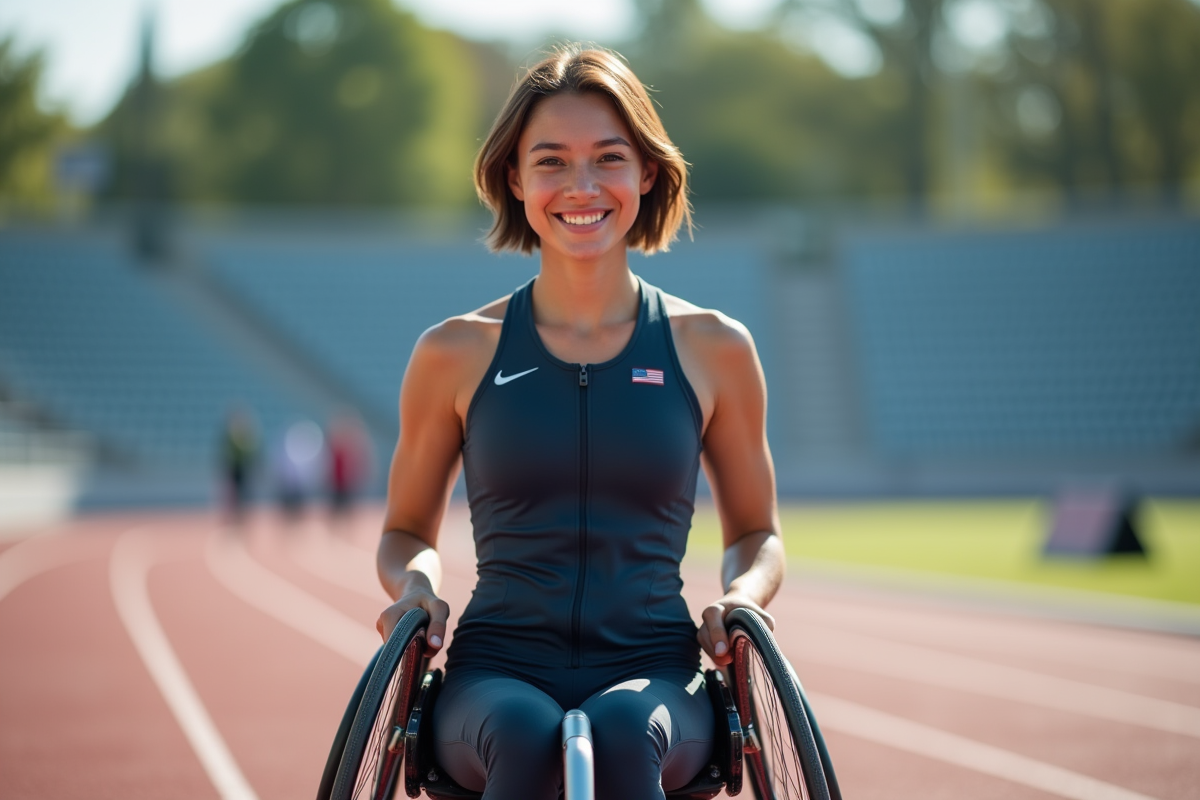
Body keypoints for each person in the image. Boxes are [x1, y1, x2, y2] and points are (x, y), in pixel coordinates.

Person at [375, 45, 784, 800]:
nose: (582, 186)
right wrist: (416, 587)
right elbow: (405, 532)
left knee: (624, 734)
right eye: (552, 162)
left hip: (658, 673)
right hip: (494, 672)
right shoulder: (454, 352)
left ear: (647, 173)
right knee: (525, 738)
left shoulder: (717, 348)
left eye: (609, 158)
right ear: (515, 179)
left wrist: (745, 596)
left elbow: (758, 534)